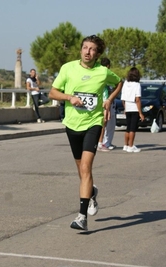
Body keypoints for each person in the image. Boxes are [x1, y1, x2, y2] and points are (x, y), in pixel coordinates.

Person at [49, 35, 123, 231]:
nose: (87, 52)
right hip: (72, 124)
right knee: (81, 170)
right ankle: (91, 193)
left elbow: (119, 82)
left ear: (97, 53)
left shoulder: (103, 72)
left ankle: (81, 217)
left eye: (92, 49)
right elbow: (52, 92)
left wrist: (109, 100)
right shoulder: (68, 68)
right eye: (85, 48)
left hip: (93, 123)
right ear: (81, 50)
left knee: (86, 168)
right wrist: (69, 97)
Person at [121, 67, 144, 153]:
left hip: (127, 107)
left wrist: (125, 108)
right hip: (134, 108)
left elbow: (123, 98)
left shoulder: (125, 83)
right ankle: (131, 146)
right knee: (132, 129)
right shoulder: (137, 85)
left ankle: (126, 145)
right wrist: (140, 113)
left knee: (128, 127)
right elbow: (137, 99)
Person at [97, 57, 117, 151]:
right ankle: (101, 143)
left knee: (101, 123)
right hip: (105, 101)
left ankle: (100, 142)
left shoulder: (97, 73)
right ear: (108, 65)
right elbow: (116, 84)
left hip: (98, 101)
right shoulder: (106, 74)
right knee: (103, 124)